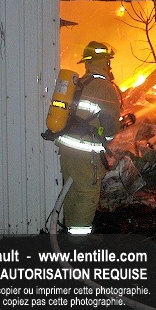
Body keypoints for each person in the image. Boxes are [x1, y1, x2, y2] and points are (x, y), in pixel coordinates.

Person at [46, 41, 122, 235]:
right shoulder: (105, 87)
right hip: (86, 154)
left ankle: (68, 238)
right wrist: (108, 138)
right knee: (86, 195)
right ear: (105, 62)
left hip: (67, 150)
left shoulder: (79, 83)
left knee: (72, 194)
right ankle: (78, 244)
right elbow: (110, 125)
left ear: (87, 63)